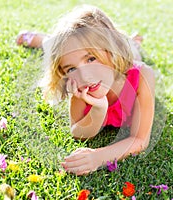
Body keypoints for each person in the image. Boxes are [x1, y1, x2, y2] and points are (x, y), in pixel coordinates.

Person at [19, 5, 155, 175]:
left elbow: (140, 140)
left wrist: (99, 157)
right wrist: (99, 109)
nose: (84, 75)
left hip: (127, 54)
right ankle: (40, 39)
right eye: (71, 68)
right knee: (55, 45)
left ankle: (133, 42)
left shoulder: (143, 77)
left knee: (133, 50)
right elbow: (78, 133)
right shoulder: (80, 84)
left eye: (91, 58)